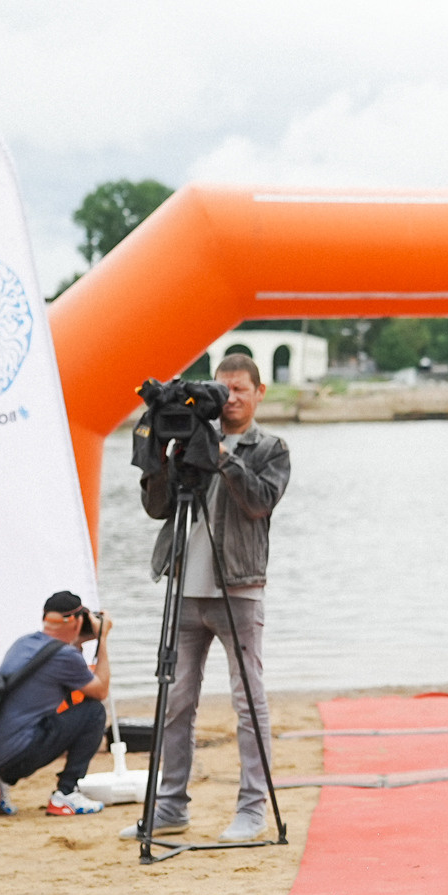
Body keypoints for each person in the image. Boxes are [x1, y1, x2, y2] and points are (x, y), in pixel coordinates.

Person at [126, 352, 292, 844]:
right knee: (175, 702)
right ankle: (169, 807)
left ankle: (252, 810)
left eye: (240, 389)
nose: (231, 398)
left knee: (248, 702)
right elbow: (157, 509)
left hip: (238, 588)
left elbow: (259, 502)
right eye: (224, 388)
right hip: (184, 585)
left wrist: (219, 455)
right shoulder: (188, 438)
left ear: (259, 393)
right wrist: (159, 458)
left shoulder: (271, 448)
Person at [0, 591, 112, 817]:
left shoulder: (23, 643)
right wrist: (102, 639)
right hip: (16, 757)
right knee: (94, 712)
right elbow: (101, 691)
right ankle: (66, 794)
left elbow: (55, 659)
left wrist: (79, 639)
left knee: (29, 720)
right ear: (77, 621)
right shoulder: (65, 657)